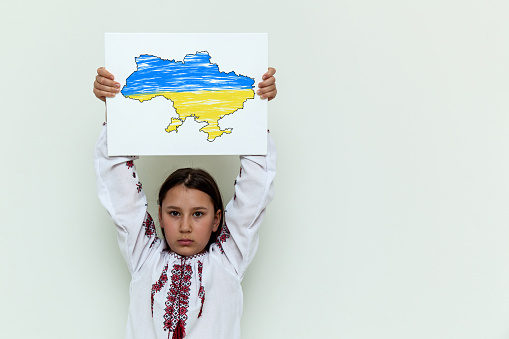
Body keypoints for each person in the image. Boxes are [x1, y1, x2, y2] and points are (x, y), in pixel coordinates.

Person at [93, 67, 277, 339]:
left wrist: (256, 108)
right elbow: (118, 188)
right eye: (174, 213)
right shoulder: (145, 258)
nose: (185, 226)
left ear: (217, 219)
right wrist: (114, 106)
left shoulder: (228, 261)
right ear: (159, 215)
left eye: (199, 214)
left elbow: (255, 187)